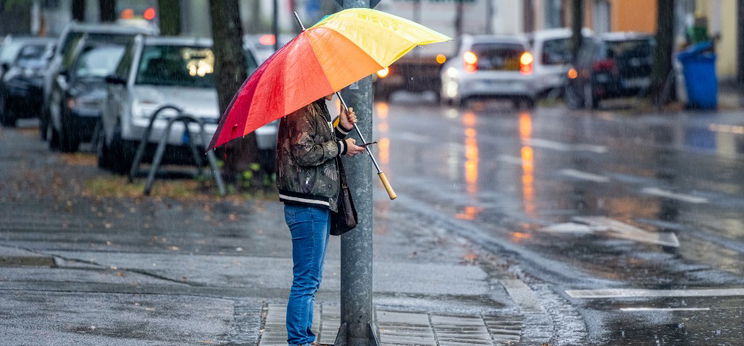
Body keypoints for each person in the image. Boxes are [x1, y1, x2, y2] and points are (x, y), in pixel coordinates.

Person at [275, 94, 365, 346]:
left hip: (314, 201)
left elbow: (317, 144)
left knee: (310, 278)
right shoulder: (301, 109)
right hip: (307, 202)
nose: (336, 88)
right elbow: (304, 153)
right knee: (306, 279)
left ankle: (304, 338)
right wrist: (342, 147)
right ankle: (299, 341)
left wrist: (341, 129)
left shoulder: (314, 108)